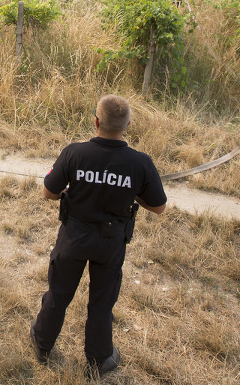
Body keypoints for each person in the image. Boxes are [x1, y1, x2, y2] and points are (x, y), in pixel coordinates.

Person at [30, 94, 167, 379]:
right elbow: (159, 207)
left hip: (74, 237)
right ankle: (100, 358)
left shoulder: (74, 153)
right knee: (102, 301)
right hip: (111, 241)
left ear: (96, 121)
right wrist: (132, 191)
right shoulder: (140, 163)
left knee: (59, 292)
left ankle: (42, 344)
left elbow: (48, 193)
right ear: (127, 124)